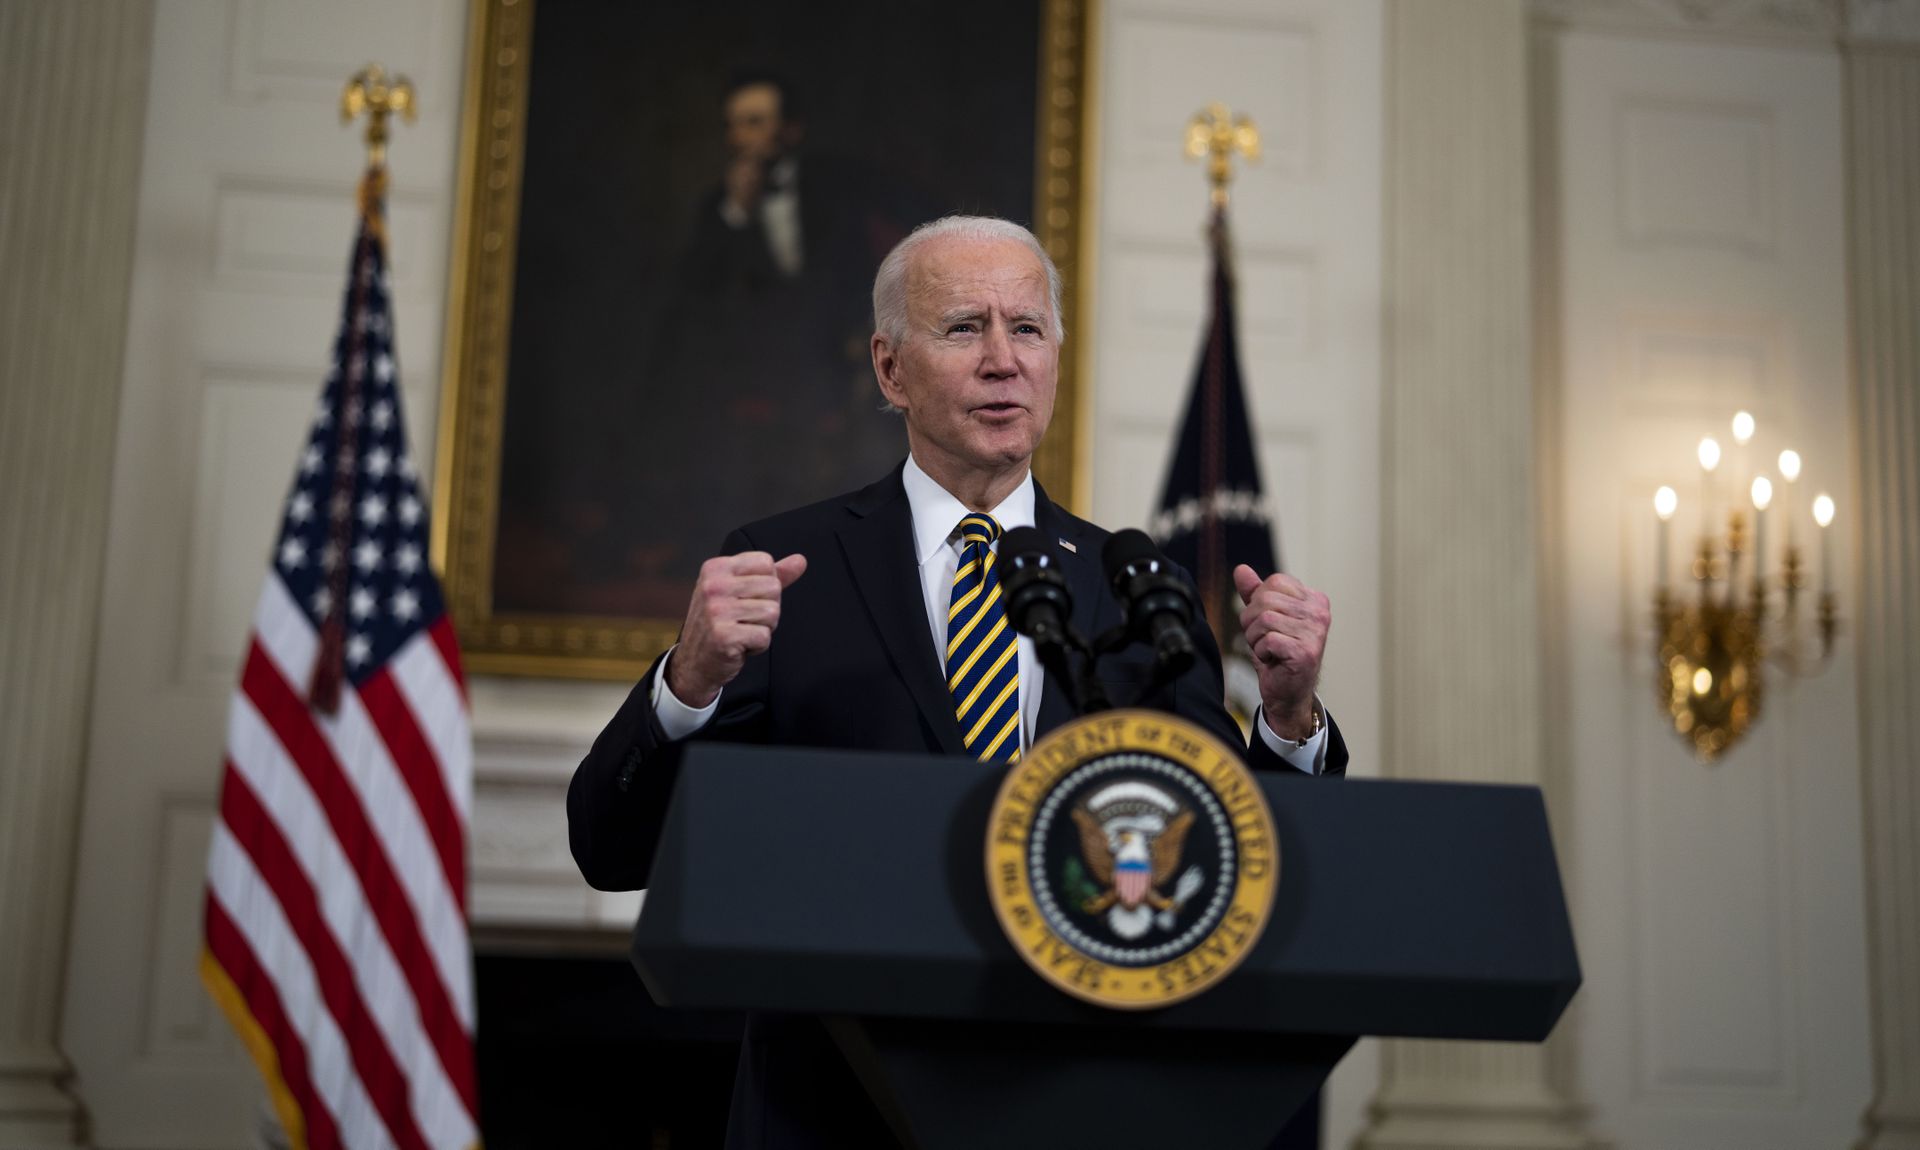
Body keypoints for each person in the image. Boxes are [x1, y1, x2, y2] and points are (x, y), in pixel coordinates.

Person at [570, 215, 1345, 1148]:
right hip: (833, 1110)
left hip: (1074, 1100)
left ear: (1056, 357)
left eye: (1026, 329)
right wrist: (687, 683)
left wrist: (1290, 715)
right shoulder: (786, 567)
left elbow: (1230, 851)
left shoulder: (1137, 584)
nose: (1001, 361)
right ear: (890, 370)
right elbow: (612, 851)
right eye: (962, 328)